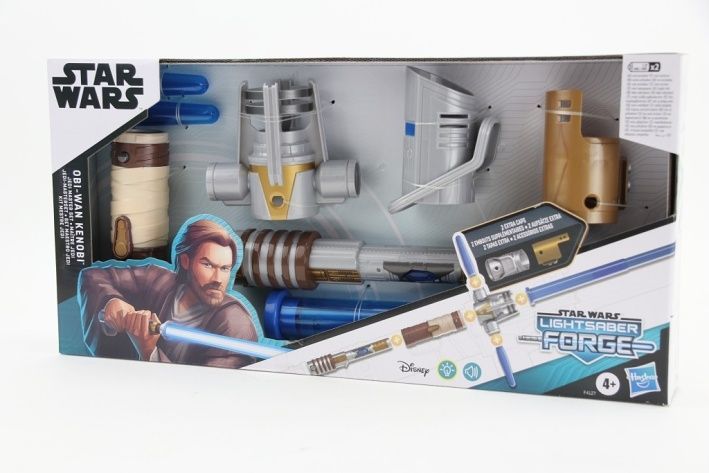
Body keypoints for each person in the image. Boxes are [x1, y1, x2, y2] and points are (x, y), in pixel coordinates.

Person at [78, 218, 258, 368]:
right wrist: (111, 301)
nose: (218, 279)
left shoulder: (235, 323)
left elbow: (206, 391)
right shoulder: (158, 281)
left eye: (225, 268)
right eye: (208, 265)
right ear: (186, 261)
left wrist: (149, 351)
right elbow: (93, 276)